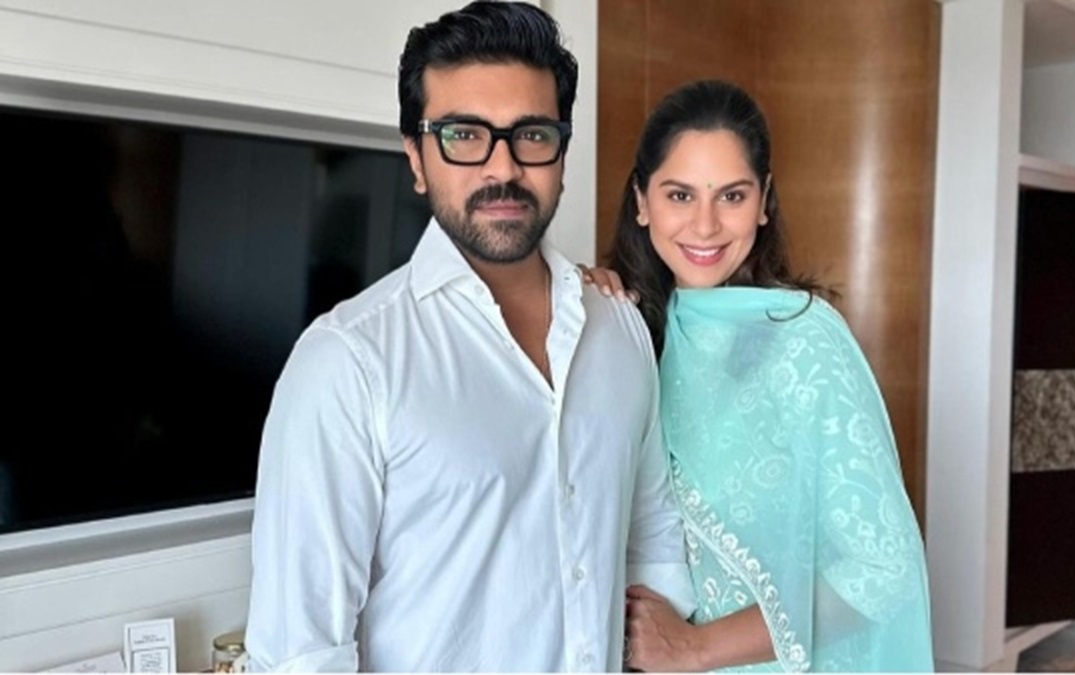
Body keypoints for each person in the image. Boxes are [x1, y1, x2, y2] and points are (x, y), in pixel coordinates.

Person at [244, 3, 695, 671]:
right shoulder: (347, 361)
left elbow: (652, 539)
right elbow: (299, 653)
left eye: (532, 135)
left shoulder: (619, 328)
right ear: (417, 158)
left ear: (562, 153)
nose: (502, 168)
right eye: (464, 134)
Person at [591, 80, 934, 672]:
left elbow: (884, 568)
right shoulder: (631, 333)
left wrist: (695, 647)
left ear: (764, 201)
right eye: (679, 195)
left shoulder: (802, 339)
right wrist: (587, 303)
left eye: (731, 195)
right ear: (642, 201)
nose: (705, 225)